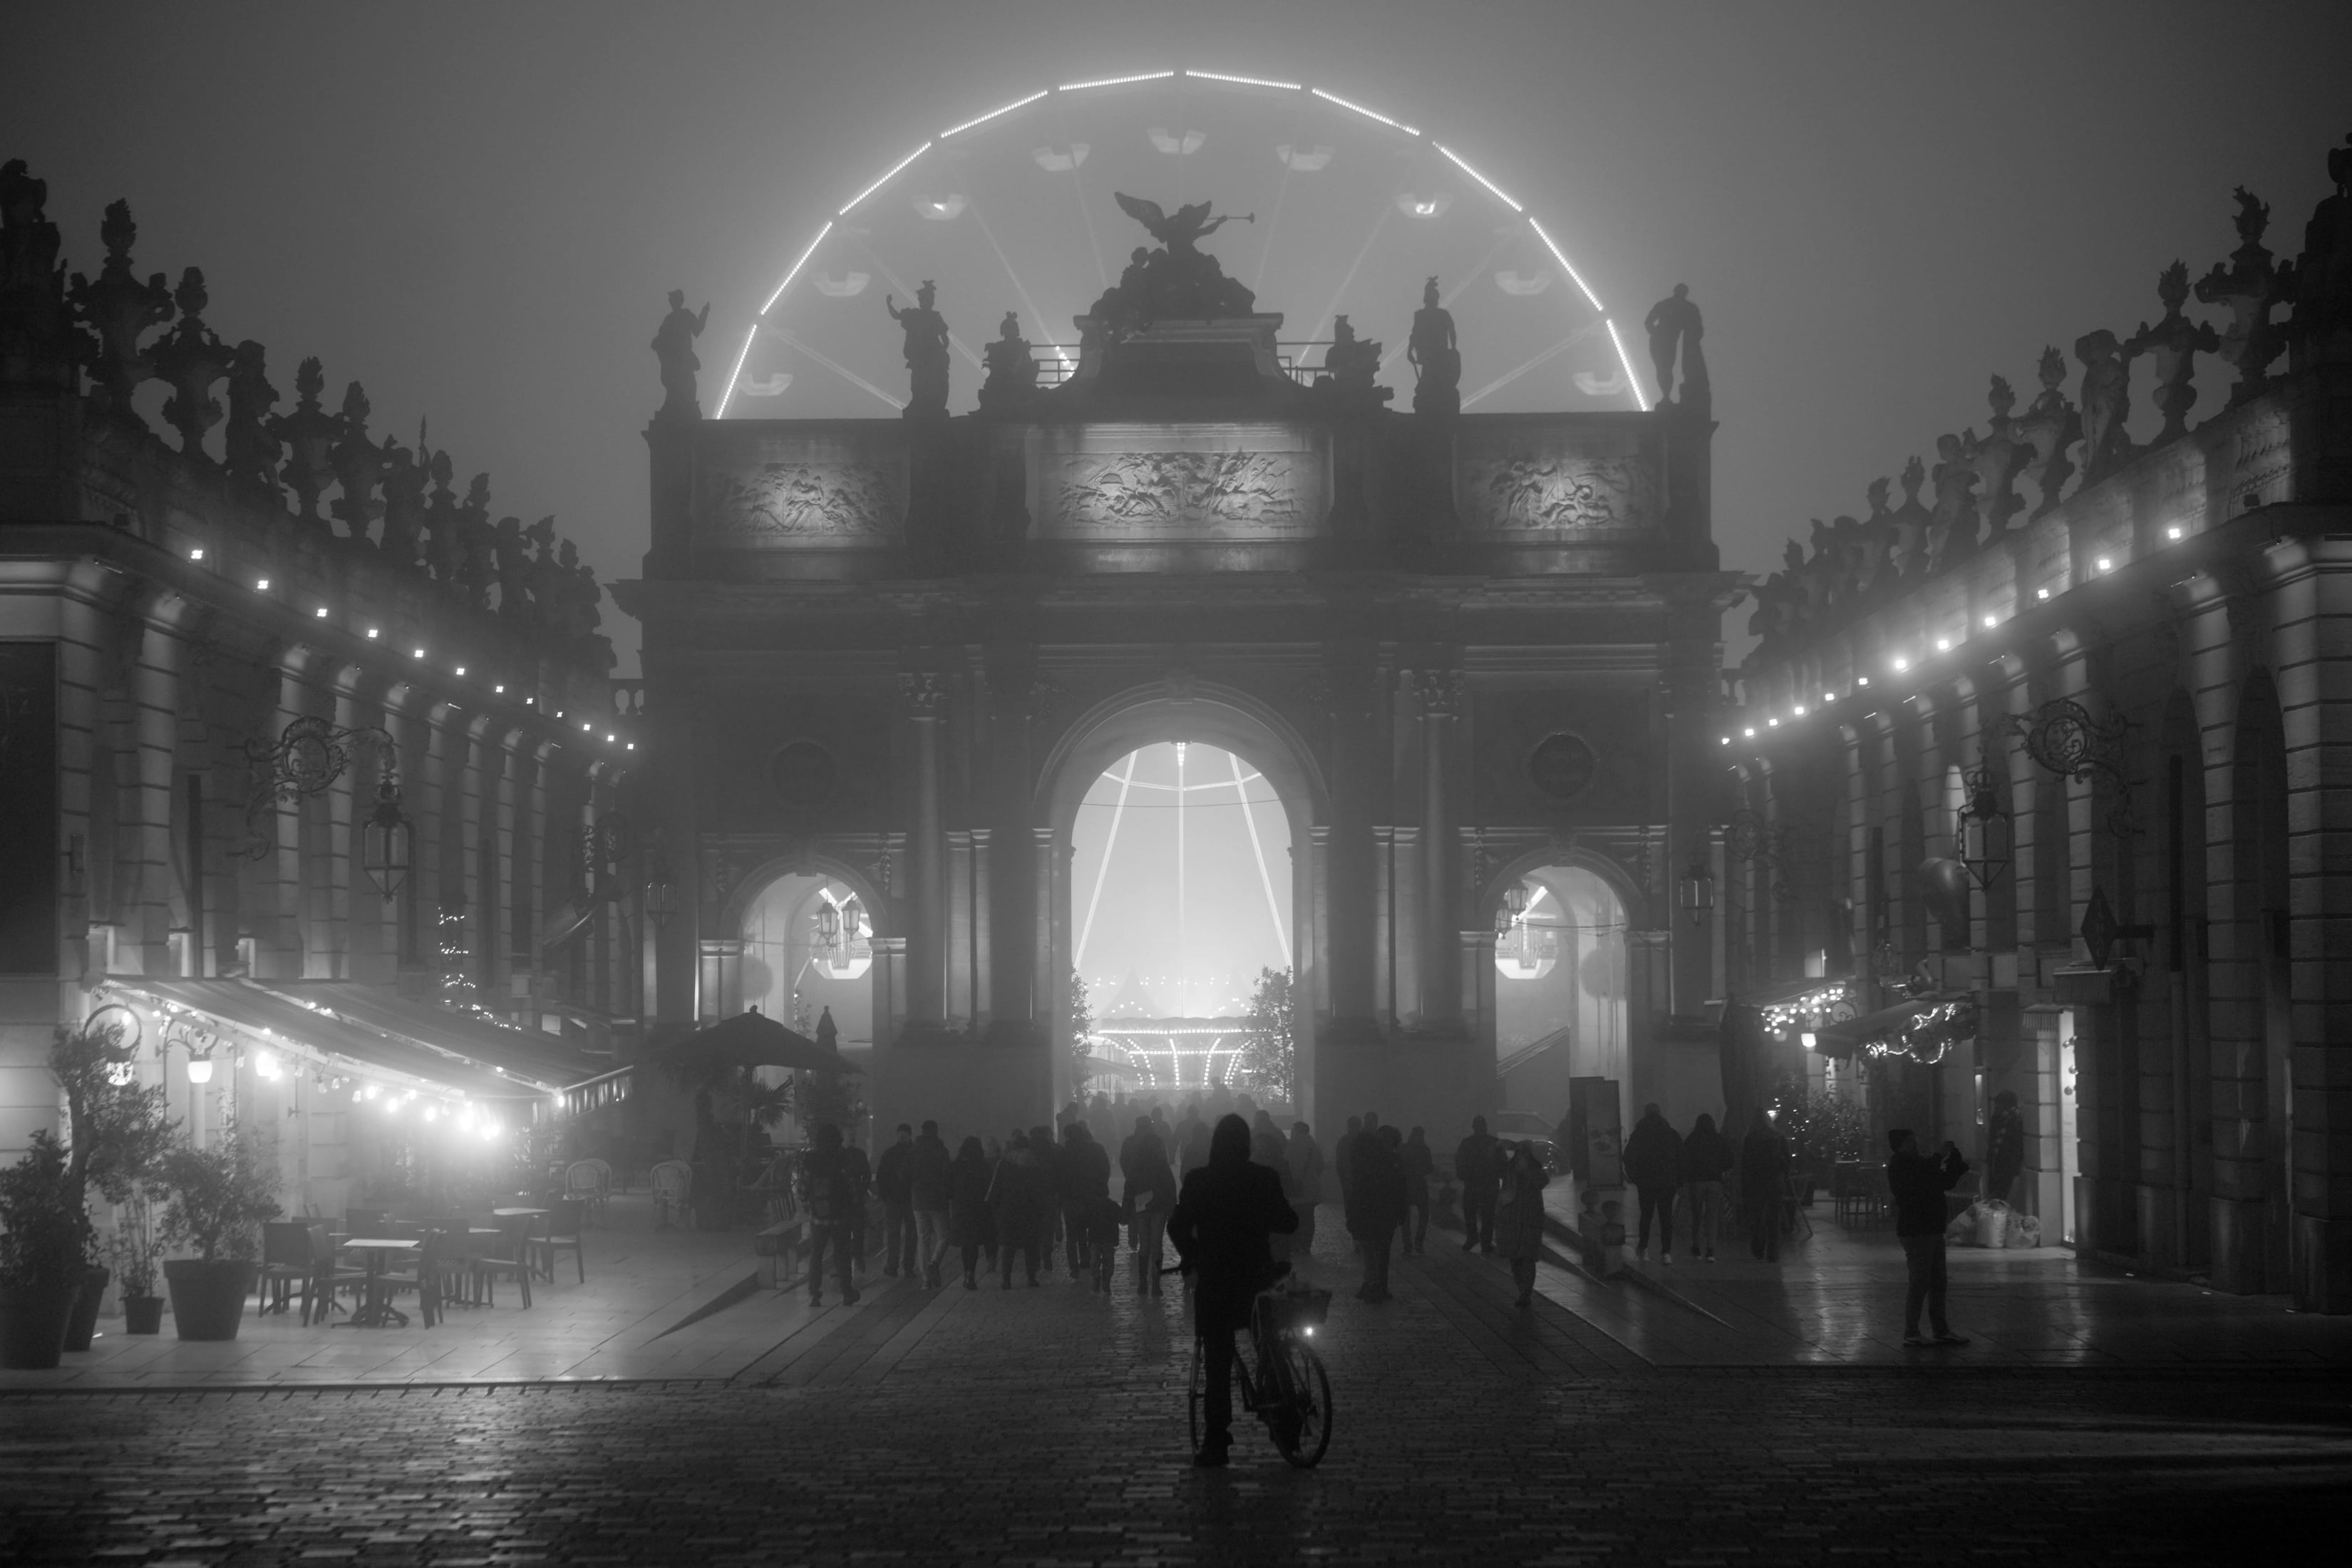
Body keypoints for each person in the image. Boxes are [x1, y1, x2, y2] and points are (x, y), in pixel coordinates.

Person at [1167, 1114, 1300, 1468]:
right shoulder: (1263, 1178)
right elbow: (1288, 1222)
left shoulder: (1199, 1181)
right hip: (1257, 1277)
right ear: (1247, 1145)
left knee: (1218, 1362)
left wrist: (1192, 1258)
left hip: (1216, 1282)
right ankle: (1287, 1419)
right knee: (1271, 1346)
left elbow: (1177, 1225)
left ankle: (1217, 1440)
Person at [1887, 1128, 1971, 1348]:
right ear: (1899, 1145)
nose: (1915, 1144)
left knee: (1938, 1281)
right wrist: (1938, 1158)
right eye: (1910, 1142)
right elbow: (1920, 1179)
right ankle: (1912, 1331)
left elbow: (1941, 1182)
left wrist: (1953, 1164)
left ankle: (1940, 1330)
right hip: (1916, 1230)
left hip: (1932, 1228)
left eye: (1915, 1140)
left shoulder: (1918, 1163)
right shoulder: (1900, 1164)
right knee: (1920, 1281)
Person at [798, 1122, 862, 1309]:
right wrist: (854, 1205)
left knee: (816, 1254)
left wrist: (809, 1206)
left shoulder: (810, 1159)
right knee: (842, 1253)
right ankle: (847, 1292)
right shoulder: (843, 1157)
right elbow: (852, 1187)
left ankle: (815, 1295)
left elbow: (802, 1188)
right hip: (841, 1216)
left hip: (818, 1217)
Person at [1121, 1115, 1177, 1296]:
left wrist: (1126, 1208)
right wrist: (1172, 1207)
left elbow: (1129, 1186)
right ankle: (1156, 1284)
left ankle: (1143, 1282)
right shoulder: (1161, 1163)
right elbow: (1170, 1186)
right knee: (1157, 1246)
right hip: (1159, 1206)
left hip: (1141, 1205)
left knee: (1144, 1246)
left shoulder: (1136, 1163)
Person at [1622, 1103, 1685, 1264]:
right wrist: (1679, 1180)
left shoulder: (1639, 1134)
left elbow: (1628, 1157)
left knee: (1646, 1216)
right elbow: (1681, 1158)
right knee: (1666, 1217)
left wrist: (1635, 1177)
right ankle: (1666, 1252)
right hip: (1667, 1182)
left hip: (1646, 1183)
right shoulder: (1671, 1134)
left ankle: (1643, 1248)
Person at [1353, 1124, 1408, 1303]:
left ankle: (1377, 1285)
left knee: (1379, 1250)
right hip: (1377, 1210)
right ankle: (1375, 1284)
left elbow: (1400, 1188)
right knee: (1373, 1249)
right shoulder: (1387, 1160)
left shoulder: (1385, 1160)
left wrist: (1401, 1210)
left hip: (1384, 1211)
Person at [987, 1132, 1051, 1288]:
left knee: (1008, 1246)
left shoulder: (1003, 1163)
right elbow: (1040, 1189)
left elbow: (995, 1188)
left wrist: (994, 1207)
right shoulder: (1033, 1164)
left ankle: (1006, 1278)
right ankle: (1031, 1277)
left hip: (1008, 1210)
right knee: (1031, 1245)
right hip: (1030, 1210)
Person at [1495, 1141, 1551, 1307]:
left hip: (1529, 1220)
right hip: (1512, 1220)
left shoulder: (1536, 1172)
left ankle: (1525, 1292)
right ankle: (1522, 1289)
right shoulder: (1509, 1171)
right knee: (1515, 1259)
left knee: (1527, 1258)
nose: (1521, 1158)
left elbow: (1542, 1181)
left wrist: (1527, 1172)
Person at [1061, 1121, 1111, 1279]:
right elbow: (1105, 1171)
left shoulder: (1064, 1153)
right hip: (1093, 1196)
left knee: (1073, 1234)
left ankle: (1074, 1268)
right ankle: (1088, 1259)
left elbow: (1058, 1176)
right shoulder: (1096, 1149)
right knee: (1092, 1230)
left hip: (1071, 1198)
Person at [1681, 1112, 1732, 1263]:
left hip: (1696, 1181)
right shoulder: (1719, 1140)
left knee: (1697, 1215)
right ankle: (1711, 1250)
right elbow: (1729, 1160)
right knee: (1712, 1216)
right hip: (1715, 1181)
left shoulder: (1692, 1140)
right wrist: (1719, 1169)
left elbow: (1684, 1159)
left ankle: (1696, 1245)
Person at [1740, 1109, 1791, 1262]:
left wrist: (1745, 1185)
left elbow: (1746, 1165)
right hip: (1775, 1181)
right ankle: (1773, 1252)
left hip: (1756, 1183)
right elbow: (1787, 1160)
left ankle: (1758, 1247)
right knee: (1774, 1217)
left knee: (1757, 1216)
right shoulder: (1779, 1137)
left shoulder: (1750, 1139)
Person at [910, 1119, 954, 1288]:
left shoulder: (914, 1151)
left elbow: (908, 1173)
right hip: (937, 1199)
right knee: (944, 1236)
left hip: (918, 1199)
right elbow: (947, 1174)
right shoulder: (941, 1151)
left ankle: (926, 1279)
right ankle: (934, 1262)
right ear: (935, 1132)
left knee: (923, 1238)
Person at [949, 1135, 993, 1290]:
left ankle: (966, 1273)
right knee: (973, 1243)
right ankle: (970, 1274)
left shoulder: (956, 1166)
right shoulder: (983, 1166)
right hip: (978, 1209)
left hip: (960, 1209)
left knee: (965, 1244)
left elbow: (949, 1186)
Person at [875, 1123, 917, 1278]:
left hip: (893, 1200)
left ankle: (892, 1265)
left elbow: (881, 1177)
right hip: (912, 1200)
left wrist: (884, 1195)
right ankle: (909, 1266)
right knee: (912, 1234)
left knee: (893, 1234)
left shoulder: (889, 1154)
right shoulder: (916, 1154)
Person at [1455, 1115, 1502, 1254]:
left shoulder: (1467, 1143)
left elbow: (1459, 1162)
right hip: (1486, 1183)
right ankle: (1484, 1241)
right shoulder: (1493, 1142)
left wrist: (1464, 1176)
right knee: (1486, 1214)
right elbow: (1501, 1164)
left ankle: (1474, 1238)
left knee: (1472, 1212)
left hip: (1474, 1183)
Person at [1285, 1120, 1325, 1257]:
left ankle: (1296, 1244)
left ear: (1296, 1131)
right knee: (1309, 1218)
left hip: (1296, 1187)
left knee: (1296, 1216)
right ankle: (1306, 1245)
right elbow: (1321, 1166)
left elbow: (1287, 1166)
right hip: (1312, 1187)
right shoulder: (1315, 1146)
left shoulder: (1291, 1146)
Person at [1985, 1090, 2025, 1208]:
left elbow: (2017, 1144)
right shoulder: (1998, 1118)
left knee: (2004, 1191)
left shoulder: (2015, 1120)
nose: (1996, 1107)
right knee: (1996, 1190)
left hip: (2007, 1163)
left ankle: (2000, 1217)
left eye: (1999, 1104)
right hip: (1997, 1161)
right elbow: (1992, 1140)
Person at [1401, 1127, 1435, 1257]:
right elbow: (1429, 1168)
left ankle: (1408, 1245)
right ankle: (1418, 1243)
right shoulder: (1425, 1150)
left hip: (1407, 1185)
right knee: (1423, 1215)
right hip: (1419, 1185)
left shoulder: (1404, 1148)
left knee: (1406, 1217)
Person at [1334, 1115, 1364, 1249]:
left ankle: (1356, 1236)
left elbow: (1339, 1162)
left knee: (1351, 1209)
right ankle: (1362, 1235)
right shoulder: (1366, 1140)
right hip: (1363, 1181)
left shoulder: (1344, 1141)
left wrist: (1344, 1179)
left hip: (1349, 1181)